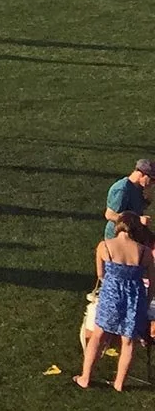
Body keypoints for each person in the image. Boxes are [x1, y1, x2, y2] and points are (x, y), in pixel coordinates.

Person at [78, 219, 154, 390]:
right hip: (135, 298)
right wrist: (146, 302)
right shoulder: (145, 252)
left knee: (98, 336)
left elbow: (100, 274)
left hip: (111, 295)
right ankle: (119, 383)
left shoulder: (104, 246)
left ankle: (85, 378)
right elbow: (152, 282)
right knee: (128, 341)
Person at [105, 159, 155, 238]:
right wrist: (138, 220)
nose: (153, 183)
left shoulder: (139, 187)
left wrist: (148, 198)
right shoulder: (122, 189)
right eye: (152, 179)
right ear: (141, 174)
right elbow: (110, 215)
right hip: (117, 237)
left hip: (132, 234)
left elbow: (137, 207)